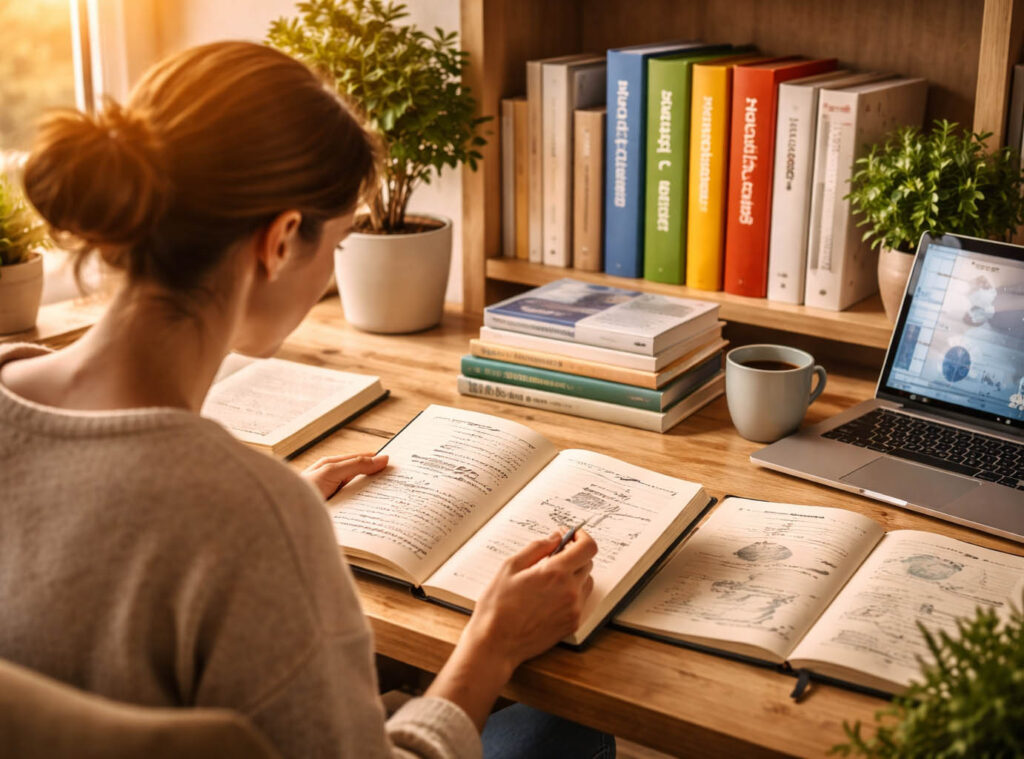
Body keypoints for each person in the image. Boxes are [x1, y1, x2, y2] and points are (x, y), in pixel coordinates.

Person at [0, 41, 611, 758]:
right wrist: (491, 642)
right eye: (342, 242)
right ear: (281, 240)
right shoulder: (252, 522)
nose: (333, 265)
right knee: (562, 729)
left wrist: (251, 506)